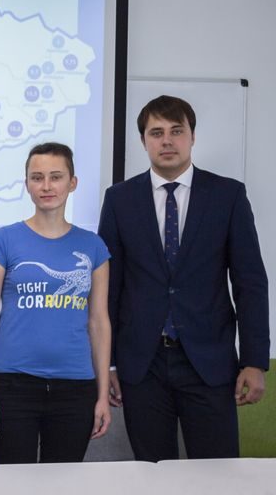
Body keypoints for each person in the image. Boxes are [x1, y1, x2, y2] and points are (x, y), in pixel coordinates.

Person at [98, 94, 269, 461]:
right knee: (152, 472)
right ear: (143, 140)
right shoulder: (119, 200)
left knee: (217, 473)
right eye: (156, 132)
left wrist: (254, 361)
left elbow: (250, 283)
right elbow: (109, 289)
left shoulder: (228, 196)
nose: (167, 141)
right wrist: (107, 363)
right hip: (142, 365)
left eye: (176, 131)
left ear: (192, 136)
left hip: (209, 362)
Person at [0, 142, 111, 463]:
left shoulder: (93, 246)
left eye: (56, 177)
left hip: (75, 388)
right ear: (27, 185)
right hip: (12, 386)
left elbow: (99, 322)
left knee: (63, 483)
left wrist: (103, 395)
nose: (47, 186)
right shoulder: (3, 240)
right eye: (37, 178)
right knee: (14, 482)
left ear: (72, 183)